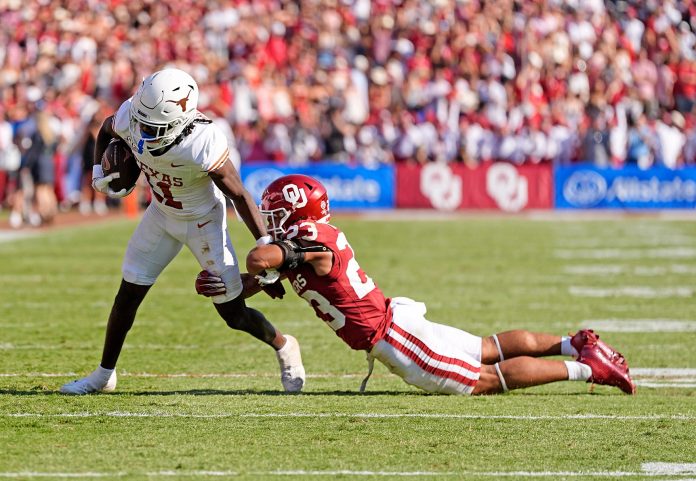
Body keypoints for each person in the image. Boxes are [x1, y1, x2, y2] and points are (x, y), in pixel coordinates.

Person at [196, 174, 635, 395]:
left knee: (484, 379)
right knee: (485, 347)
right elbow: (266, 270)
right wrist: (231, 284)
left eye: (275, 212)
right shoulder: (307, 242)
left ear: (295, 212)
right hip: (396, 319)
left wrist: (257, 263)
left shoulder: (311, 241)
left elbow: (263, 257)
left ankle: (586, 366)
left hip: (392, 337)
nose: (269, 221)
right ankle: (574, 342)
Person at [60, 68, 305, 394]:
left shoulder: (201, 141)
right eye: (142, 122)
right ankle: (105, 375)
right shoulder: (135, 114)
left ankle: (284, 345)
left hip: (203, 222)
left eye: (152, 127)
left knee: (233, 314)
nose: (143, 132)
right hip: (161, 215)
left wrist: (266, 245)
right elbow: (106, 129)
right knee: (127, 295)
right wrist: (96, 172)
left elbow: (239, 195)